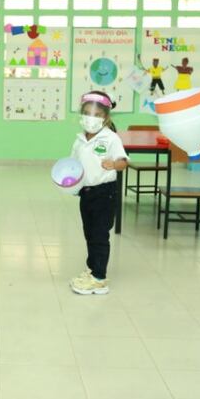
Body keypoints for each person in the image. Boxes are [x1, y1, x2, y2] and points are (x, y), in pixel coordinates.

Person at [69, 92, 128, 296]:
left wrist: (113, 163)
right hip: (86, 193)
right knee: (89, 232)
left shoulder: (110, 138)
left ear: (105, 116)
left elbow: (123, 162)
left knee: (100, 234)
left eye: (95, 114)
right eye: (86, 113)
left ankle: (99, 278)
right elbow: (73, 166)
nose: (90, 117)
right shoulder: (79, 140)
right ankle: (92, 269)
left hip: (104, 193)